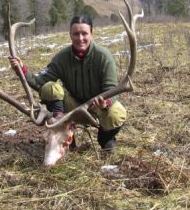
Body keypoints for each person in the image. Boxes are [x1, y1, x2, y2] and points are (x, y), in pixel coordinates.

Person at [9, 15, 127, 151]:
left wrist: (105, 103)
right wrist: (21, 69)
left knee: (117, 113)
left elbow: (111, 88)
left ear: (91, 34)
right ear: (70, 35)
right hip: (73, 108)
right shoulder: (62, 58)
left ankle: (106, 140)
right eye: (76, 34)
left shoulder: (103, 57)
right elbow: (40, 82)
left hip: (97, 107)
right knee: (49, 88)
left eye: (84, 33)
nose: (80, 38)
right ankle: (64, 133)